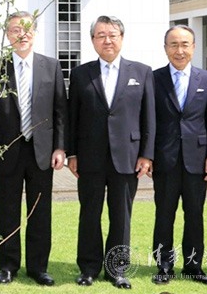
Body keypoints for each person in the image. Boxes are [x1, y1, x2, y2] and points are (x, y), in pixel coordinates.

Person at [67, 15, 155, 289]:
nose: (107, 40)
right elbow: (72, 117)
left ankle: (117, 269)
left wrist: (146, 154)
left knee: (121, 216)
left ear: (122, 38)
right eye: (101, 35)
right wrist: (72, 153)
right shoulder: (81, 74)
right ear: (93, 40)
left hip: (128, 156)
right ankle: (89, 268)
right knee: (89, 214)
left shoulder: (142, 72)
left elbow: (149, 117)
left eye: (112, 34)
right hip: (89, 156)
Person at [0, 11, 67, 286]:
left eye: (27, 29)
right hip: (7, 151)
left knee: (40, 212)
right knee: (6, 211)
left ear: (35, 33)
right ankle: (7, 266)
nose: (22, 34)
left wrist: (60, 147)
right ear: (8, 35)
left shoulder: (51, 66)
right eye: (16, 29)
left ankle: (38, 267)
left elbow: (60, 111)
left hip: (42, 151)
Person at [151, 25, 207, 286]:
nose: (179, 50)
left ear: (193, 47)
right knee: (164, 215)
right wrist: (147, 155)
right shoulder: (153, 78)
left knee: (195, 215)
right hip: (164, 158)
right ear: (165, 48)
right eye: (174, 44)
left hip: (197, 160)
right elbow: (148, 120)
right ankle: (164, 266)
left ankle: (193, 266)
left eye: (184, 44)